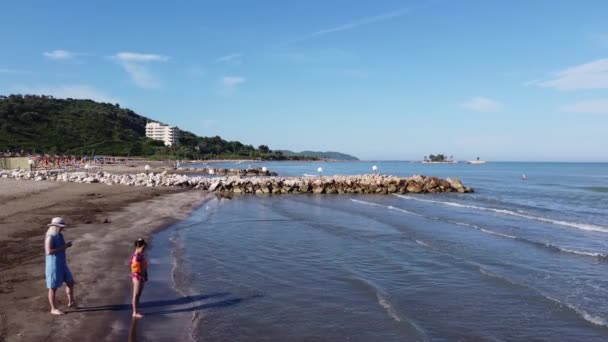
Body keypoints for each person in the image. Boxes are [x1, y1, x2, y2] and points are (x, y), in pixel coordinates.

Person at [44, 217, 75, 315]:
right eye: (61, 227)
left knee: (70, 282)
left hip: (62, 263)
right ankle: (53, 309)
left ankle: (71, 302)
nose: (62, 228)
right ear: (55, 227)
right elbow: (49, 251)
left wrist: (65, 246)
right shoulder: (50, 236)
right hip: (53, 265)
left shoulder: (59, 235)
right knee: (53, 287)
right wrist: (65, 246)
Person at [130, 238, 148, 319]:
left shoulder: (141, 255)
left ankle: (136, 309)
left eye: (144, 249)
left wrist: (145, 275)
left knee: (139, 294)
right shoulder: (135, 257)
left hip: (141, 277)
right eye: (142, 249)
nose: (143, 250)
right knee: (136, 294)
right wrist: (142, 275)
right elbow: (136, 271)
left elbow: (144, 267)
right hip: (137, 277)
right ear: (137, 247)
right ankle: (134, 312)